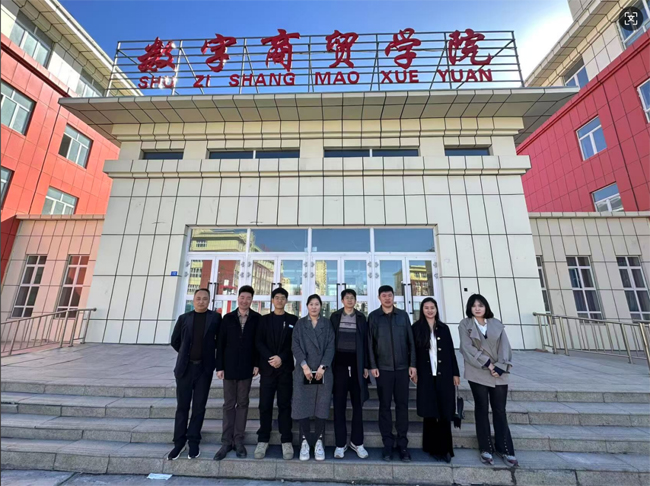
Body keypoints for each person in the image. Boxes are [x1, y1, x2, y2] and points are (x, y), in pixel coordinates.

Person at [459, 294, 517, 468]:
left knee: (499, 410)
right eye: (474, 305)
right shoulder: (465, 324)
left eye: (481, 305)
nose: (477, 308)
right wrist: (488, 364)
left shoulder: (496, 324)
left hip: (499, 372)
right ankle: (485, 448)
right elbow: (466, 348)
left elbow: (505, 346)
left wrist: (500, 366)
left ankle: (505, 448)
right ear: (469, 308)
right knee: (481, 409)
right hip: (477, 371)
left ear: (486, 307)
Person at [168, 288, 221, 460]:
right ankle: (179, 442)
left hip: (204, 369)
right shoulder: (184, 318)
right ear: (193, 299)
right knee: (182, 407)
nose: (201, 301)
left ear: (209, 300)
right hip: (185, 369)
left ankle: (193, 441)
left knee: (199, 407)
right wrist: (185, 353)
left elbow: (219, 341)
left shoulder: (215, 318)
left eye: (205, 298)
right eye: (198, 298)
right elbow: (175, 341)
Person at [368, 285, 417, 462]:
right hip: (383, 369)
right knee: (385, 406)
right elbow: (370, 343)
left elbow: (410, 341)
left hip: (403, 369)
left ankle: (403, 444)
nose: (387, 298)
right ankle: (387, 444)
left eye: (390, 295)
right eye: (384, 296)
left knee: (402, 406)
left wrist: (413, 364)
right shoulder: (374, 317)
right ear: (379, 298)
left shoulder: (402, 316)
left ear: (394, 297)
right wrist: (372, 365)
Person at [213, 285, 260, 461]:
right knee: (228, 404)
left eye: (248, 298)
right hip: (229, 367)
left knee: (243, 403)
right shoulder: (228, 318)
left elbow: (258, 343)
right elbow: (220, 344)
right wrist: (219, 367)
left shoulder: (257, 318)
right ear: (237, 298)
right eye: (242, 297)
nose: (244, 301)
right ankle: (226, 441)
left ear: (252, 300)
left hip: (247, 368)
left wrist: (257, 364)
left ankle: (238, 440)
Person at [412, 297, 460, 463]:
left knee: (445, 411)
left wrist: (455, 373)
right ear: (422, 310)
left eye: (432, 307)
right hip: (425, 375)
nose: (430, 310)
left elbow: (451, 352)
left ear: (436, 309)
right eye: (426, 307)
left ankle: (446, 449)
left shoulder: (444, 328)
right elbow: (413, 352)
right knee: (430, 412)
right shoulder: (416, 328)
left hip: (444, 375)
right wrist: (413, 370)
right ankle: (431, 447)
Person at [254, 287, 298, 460]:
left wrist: (281, 358)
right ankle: (263, 439)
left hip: (285, 370)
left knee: (284, 405)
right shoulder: (263, 320)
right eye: (277, 297)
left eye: (282, 298)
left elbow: (294, 343)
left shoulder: (293, 320)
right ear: (272, 300)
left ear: (286, 301)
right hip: (267, 369)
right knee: (265, 405)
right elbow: (258, 342)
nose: (279, 300)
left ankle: (286, 440)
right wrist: (271, 358)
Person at [292, 294, 335, 461]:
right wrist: (304, 366)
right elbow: (295, 345)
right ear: (307, 306)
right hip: (304, 370)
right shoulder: (300, 324)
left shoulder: (327, 324)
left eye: (317, 304)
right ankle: (304, 441)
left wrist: (323, 367)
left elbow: (331, 346)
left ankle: (318, 441)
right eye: (311, 304)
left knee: (321, 407)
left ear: (321, 306)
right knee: (302, 405)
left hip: (323, 371)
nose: (314, 307)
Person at [329, 288, 370, 459]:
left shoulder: (361, 318)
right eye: (347, 298)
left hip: (357, 366)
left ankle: (357, 442)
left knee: (357, 405)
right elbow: (330, 341)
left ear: (355, 300)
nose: (350, 300)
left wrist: (366, 366)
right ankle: (340, 444)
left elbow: (366, 343)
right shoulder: (335, 317)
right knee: (339, 405)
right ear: (342, 300)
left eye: (352, 298)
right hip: (339, 366)